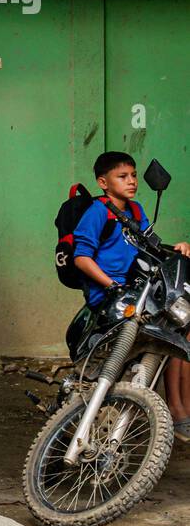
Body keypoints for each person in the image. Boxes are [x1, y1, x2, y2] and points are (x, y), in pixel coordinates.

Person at [73, 150, 190, 439]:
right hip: (111, 296)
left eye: (134, 175)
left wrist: (177, 247)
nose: (132, 181)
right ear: (103, 182)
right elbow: (81, 258)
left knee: (183, 333)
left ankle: (182, 410)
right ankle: (176, 410)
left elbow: (150, 248)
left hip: (139, 292)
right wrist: (111, 285)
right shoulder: (98, 212)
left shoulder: (136, 211)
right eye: (122, 176)